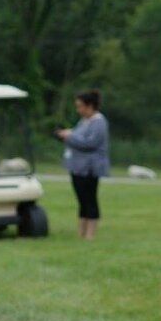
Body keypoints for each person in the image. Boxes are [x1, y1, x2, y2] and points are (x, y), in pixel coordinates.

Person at [55, 89, 110, 241]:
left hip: (90, 168)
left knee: (90, 199)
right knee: (81, 200)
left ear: (90, 105)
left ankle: (90, 234)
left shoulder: (99, 122)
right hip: (77, 166)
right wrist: (68, 134)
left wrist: (69, 136)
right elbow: (79, 136)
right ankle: (81, 232)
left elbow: (89, 143)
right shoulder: (83, 121)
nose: (78, 110)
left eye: (80, 106)